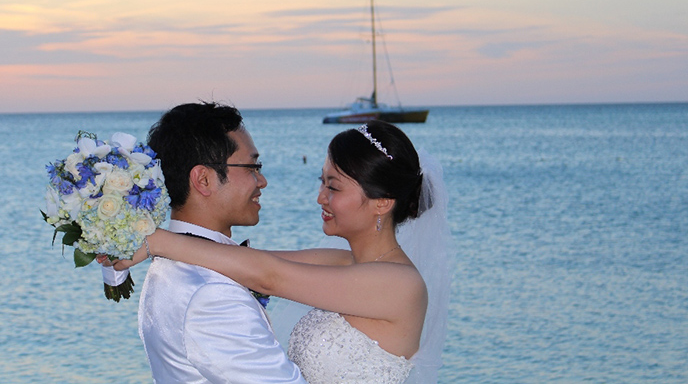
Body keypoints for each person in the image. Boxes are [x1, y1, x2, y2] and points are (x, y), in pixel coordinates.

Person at [114, 120, 453, 384]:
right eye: (321, 182)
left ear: (382, 202)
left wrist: (153, 240)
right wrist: (121, 230)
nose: (320, 197)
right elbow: (235, 257)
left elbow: (268, 276)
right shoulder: (343, 262)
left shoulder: (400, 286)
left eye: (333, 187)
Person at [115, 102, 307, 383]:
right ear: (203, 179)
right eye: (252, 167)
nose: (262, 180)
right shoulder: (211, 295)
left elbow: (333, 262)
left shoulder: (170, 264)